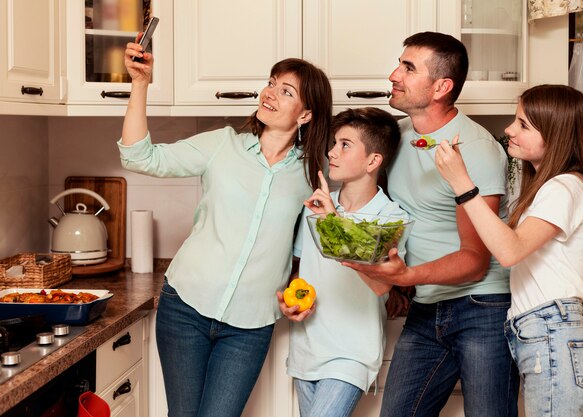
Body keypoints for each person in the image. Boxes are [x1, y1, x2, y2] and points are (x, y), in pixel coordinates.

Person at [118, 36, 332, 417]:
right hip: (185, 307)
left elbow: (311, 246)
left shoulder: (312, 173)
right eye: (271, 83)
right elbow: (140, 157)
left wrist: (301, 285)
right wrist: (140, 84)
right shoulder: (222, 145)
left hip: (250, 326)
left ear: (305, 115)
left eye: (286, 92)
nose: (270, 94)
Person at [344, 31, 520, 417]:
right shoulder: (398, 136)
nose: (394, 74)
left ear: (441, 86)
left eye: (408, 68)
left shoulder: (475, 150)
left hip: (482, 307)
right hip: (426, 305)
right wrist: (397, 282)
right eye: (399, 63)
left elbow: (475, 258)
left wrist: (404, 278)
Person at [435, 84, 583, 417]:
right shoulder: (552, 186)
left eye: (523, 124)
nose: (509, 130)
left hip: (552, 335)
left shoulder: (565, 186)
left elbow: (509, 251)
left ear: (556, 135)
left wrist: (461, 183)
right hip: (545, 335)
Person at [276, 107, 409, 417]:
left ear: (373, 161)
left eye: (345, 145)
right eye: (334, 143)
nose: (332, 152)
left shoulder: (392, 218)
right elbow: (302, 269)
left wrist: (332, 222)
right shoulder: (317, 205)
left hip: (352, 355)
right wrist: (289, 301)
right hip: (305, 350)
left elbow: (380, 283)